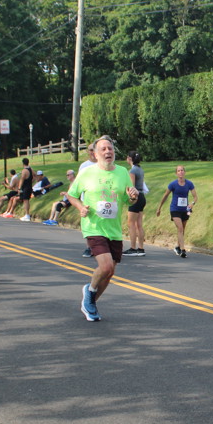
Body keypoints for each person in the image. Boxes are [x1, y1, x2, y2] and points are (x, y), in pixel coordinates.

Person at [66, 136, 138, 321]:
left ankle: (90, 302)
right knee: (105, 266)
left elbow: (128, 199)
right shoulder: (87, 173)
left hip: (114, 229)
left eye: (110, 148)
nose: (108, 152)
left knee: (110, 272)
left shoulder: (122, 172)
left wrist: (133, 196)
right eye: (103, 149)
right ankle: (89, 291)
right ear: (96, 154)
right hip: (94, 226)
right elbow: (71, 195)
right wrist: (80, 207)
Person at [156, 165, 197, 258]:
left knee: (183, 229)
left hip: (185, 209)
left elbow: (195, 197)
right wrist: (159, 208)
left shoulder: (189, 184)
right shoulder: (173, 184)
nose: (181, 172)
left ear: (185, 172)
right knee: (180, 228)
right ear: (176, 173)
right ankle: (183, 249)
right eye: (178, 171)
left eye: (182, 170)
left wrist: (192, 204)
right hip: (175, 209)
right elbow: (165, 196)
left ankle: (178, 246)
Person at [123, 151, 147, 256]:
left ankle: (133, 248)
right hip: (142, 196)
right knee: (139, 224)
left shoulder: (132, 170)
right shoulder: (140, 169)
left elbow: (131, 186)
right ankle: (141, 248)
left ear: (129, 158)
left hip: (136, 197)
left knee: (131, 223)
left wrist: (128, 195)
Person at [78, 142, 98, 257]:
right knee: (89, 223)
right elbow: (79, 183)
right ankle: (89, 247)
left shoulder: (103, 164)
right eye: (90, 150)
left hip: (101, 198)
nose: (92, 152)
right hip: (87, 199)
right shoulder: (84, 166)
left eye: (94, 150)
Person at [16, 157, 33, 222]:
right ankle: (27, 214)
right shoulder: (30, 169)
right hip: (29, 186)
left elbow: (22, 179)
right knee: (27, 200)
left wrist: (19, 188)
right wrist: (31, 181)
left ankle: (27, 214)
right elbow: (34, 176)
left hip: (25, 187)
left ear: (23, 163)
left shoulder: (24, 171)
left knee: (25, 200)